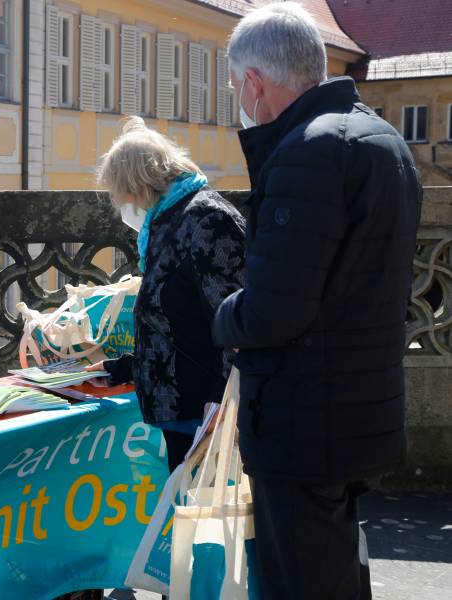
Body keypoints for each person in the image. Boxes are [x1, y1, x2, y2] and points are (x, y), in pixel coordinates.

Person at [212, 4, 422, 599]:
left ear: (255, 82)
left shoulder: (309, 151)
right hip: (360, 409)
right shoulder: (381, 138)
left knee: (301, 582)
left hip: (305, 422)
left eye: (236, 88)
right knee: (338, 575)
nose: (239, 102)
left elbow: (273, 310)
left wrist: (222, 315)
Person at [90, 116, 246, 474]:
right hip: (177, 401)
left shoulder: (206, 218)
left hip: (201, 406)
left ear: (140, 184)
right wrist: (122, 368)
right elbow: (170, 320)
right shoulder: (166, 218)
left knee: (198, 518)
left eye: (124, 193)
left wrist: (220, 397)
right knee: (184, 513)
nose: (125, 205)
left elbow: (233, 318)